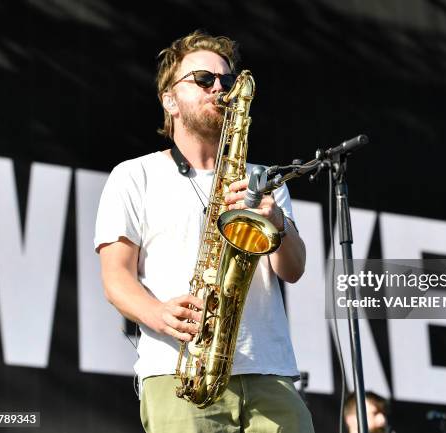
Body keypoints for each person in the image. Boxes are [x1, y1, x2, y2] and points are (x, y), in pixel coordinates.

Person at [94, 30, 314, 433]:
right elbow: (115, 278)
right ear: (169, 99)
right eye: (204, 80)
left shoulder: (263, 179)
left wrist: (276, 222)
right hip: (182, 373)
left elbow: (294, 269)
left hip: (270, 372)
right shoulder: (134, 175)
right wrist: (158, 314)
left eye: (226, 82)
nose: (219, 89)